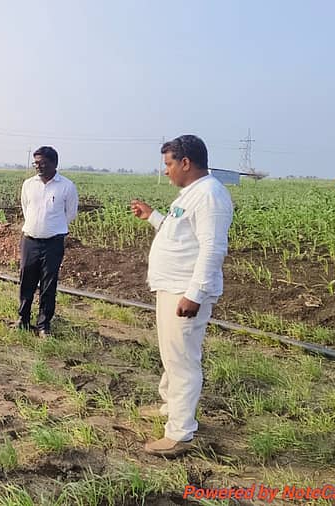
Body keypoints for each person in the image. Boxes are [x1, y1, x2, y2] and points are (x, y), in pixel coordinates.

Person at [130, 135, 234, 457]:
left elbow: (212, 249)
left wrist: (195, 294)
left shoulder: (210, 195)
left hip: (184, 292)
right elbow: (179, 233)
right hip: (171, 288)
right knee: (171, 355)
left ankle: (179, 433)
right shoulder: (192, 194)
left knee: (183, 362)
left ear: (185, 163)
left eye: (169, 164)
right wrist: (152, 216)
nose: (166, 171)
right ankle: (170, 407)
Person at [17, 146, 79, 337]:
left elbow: (70, 213)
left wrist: (52, 228)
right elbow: (26, 208)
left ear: (54, 163)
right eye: (36, 163)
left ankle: (43, 325)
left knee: (48, 284)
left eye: (42, 163)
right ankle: (23, 320)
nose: (38, 166)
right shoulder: (29, 184)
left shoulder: (66, 186)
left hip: (53, 243)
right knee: (26, 281)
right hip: (29, 241)